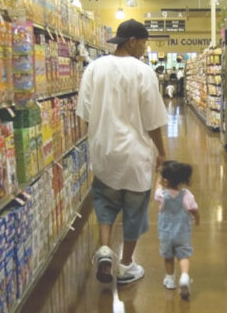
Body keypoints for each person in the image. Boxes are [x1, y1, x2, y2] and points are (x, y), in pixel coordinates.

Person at [76, 19, 168, 285]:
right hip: (135, 154)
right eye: (144, 41)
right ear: (132, 41)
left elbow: (84, 113)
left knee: (104, 203)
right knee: (134, 210)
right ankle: (126, 265)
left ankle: (105, 250)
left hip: (104, 150)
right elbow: (153, 121)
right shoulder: (143, 72)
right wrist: (162, 152)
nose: (145, 46)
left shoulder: (94, 69)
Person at [154, 160, 199, 300]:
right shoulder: (186, 195)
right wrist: (197, 219)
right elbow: (194, 210)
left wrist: (159, 176)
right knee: (183, 256)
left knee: (168, 257)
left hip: (166, 234)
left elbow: (157, 185)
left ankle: (170, 279)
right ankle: (184, 277)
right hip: (182, 233)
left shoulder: (161, 195)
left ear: (165, 180)